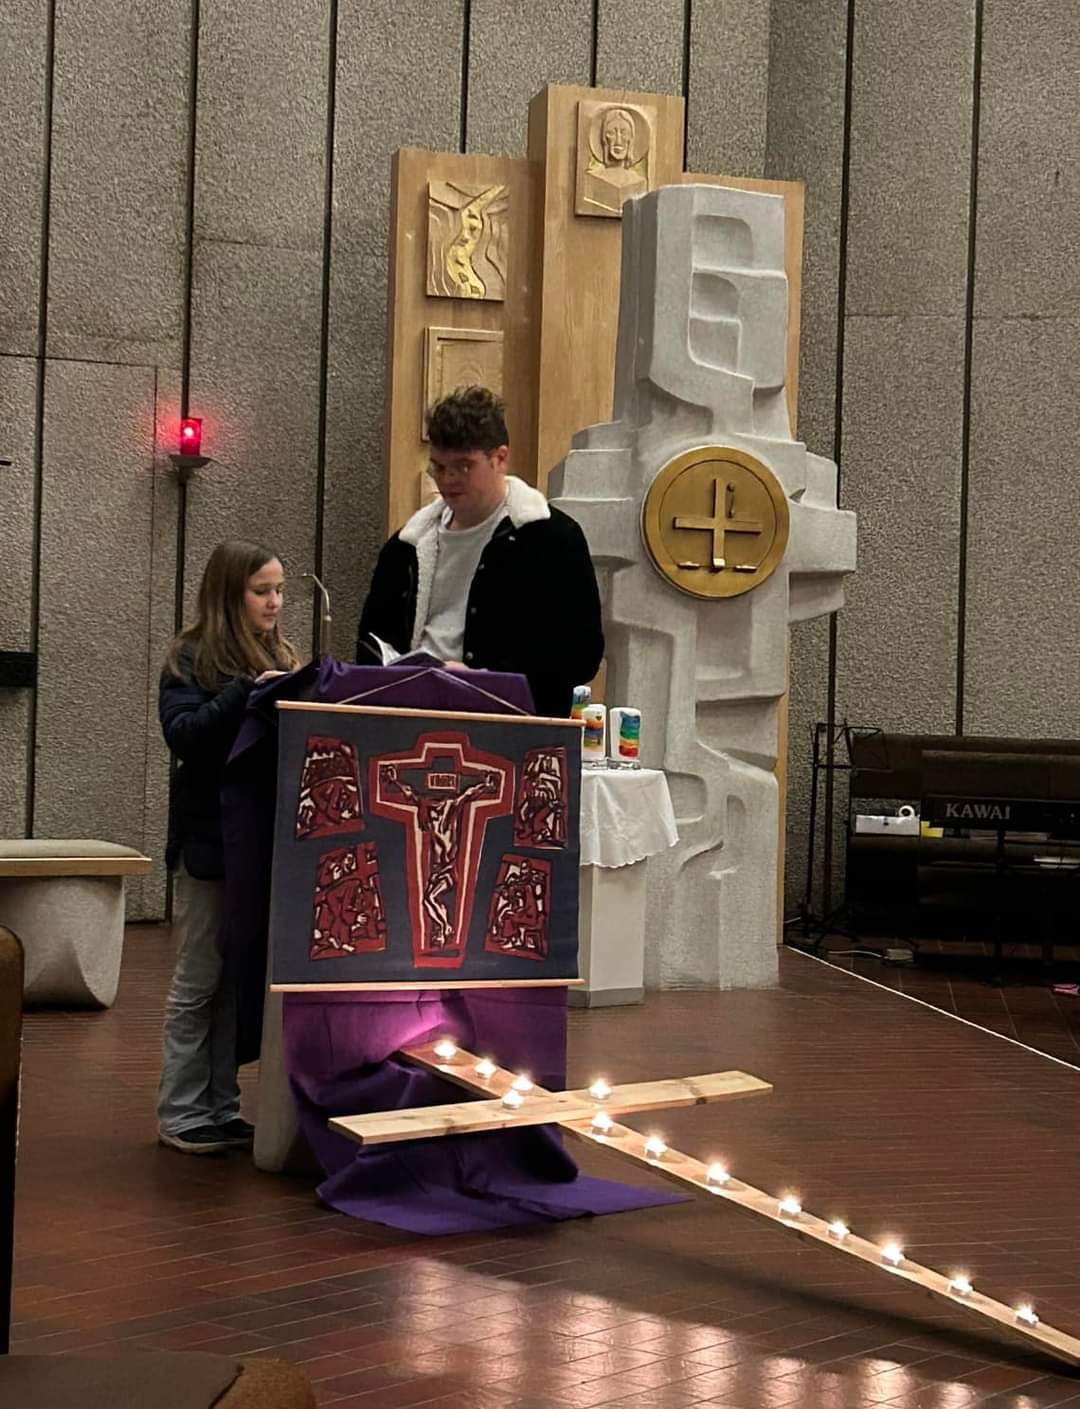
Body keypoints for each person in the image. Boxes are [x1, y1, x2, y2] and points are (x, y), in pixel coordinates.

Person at [157, 540, 299, 1154]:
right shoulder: (189, 657)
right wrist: (244, 691)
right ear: (228, 593)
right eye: (261, 591)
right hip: (209, 841)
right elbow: (185, 735)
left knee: (237, 980)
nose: (275, 602)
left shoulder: (281, 655)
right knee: (198, 981)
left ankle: (220, 1105)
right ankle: (180, 1111)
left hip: (258, 842)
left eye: (280, 590)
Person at [356, 386, 603, 718]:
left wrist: (484, 679)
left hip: (511, 724)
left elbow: (581, 655)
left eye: (464, 466)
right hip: (411, 717)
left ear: (500, 458)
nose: (448, 480)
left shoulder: (553, 538)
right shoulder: (406, 546)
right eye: (438, 467)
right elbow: (371, 645)